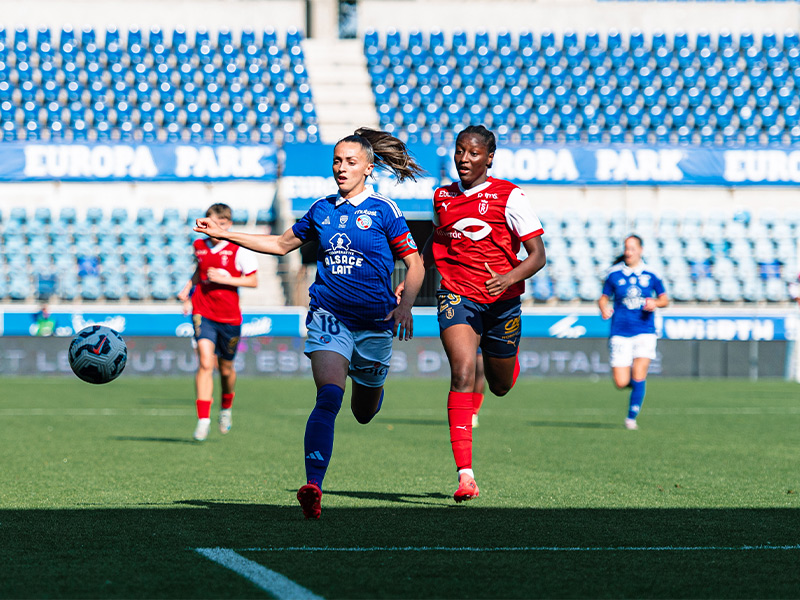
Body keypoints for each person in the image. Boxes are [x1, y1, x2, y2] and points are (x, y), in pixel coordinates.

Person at [193, 128, 426, 519]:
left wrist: (406, 306)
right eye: (337, 161)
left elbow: (415, 264)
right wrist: (225, 234)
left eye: (351, 162)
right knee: (329, 397)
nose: (341, 168)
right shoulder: (321, 210)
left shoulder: (384, 210)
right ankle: (313, 486)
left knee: (364, 412)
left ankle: (371, 385)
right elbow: (279, 244)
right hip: (329, 317)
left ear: (369, 168)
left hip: (375, 322)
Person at [401, 124, 546, 503]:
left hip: (502, 301)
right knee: (463, 373)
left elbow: (538, 256)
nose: (464, 159)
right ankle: (465, 475)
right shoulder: (442, 197)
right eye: (459, 151)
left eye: (473, 153)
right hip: (456, 296)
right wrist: (411, 281)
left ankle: (506, 358)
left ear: (489, 158)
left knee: (500, 385)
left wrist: (508, 278)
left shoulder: (510, 196)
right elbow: (435, 243)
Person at [178, 203, 259, 442]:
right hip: (203, 311)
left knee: (226, 369)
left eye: (222, 224)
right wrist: (188, 288)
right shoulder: (199, 245)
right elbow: (200, 270)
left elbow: (253, 281)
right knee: (205, 362)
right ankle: (203, 419)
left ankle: (226, 408)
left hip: (229, 317)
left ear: (229, 224)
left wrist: (227, 279)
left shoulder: (239, 248)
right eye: (213, 223)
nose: (217, 228)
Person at [598, 234, 669, 430]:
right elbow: (603, 298)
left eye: (632, 248)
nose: (628, 252)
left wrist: (655, 303)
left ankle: (631, 417)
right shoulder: (614, 274)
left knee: (639, 372)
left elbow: (664, 299)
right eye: (626, 248)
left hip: (645, 330)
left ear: (640, 250)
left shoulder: (652, 274)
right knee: (621, 382)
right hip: (620, 331)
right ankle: (637, 386)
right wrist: (603, 307)